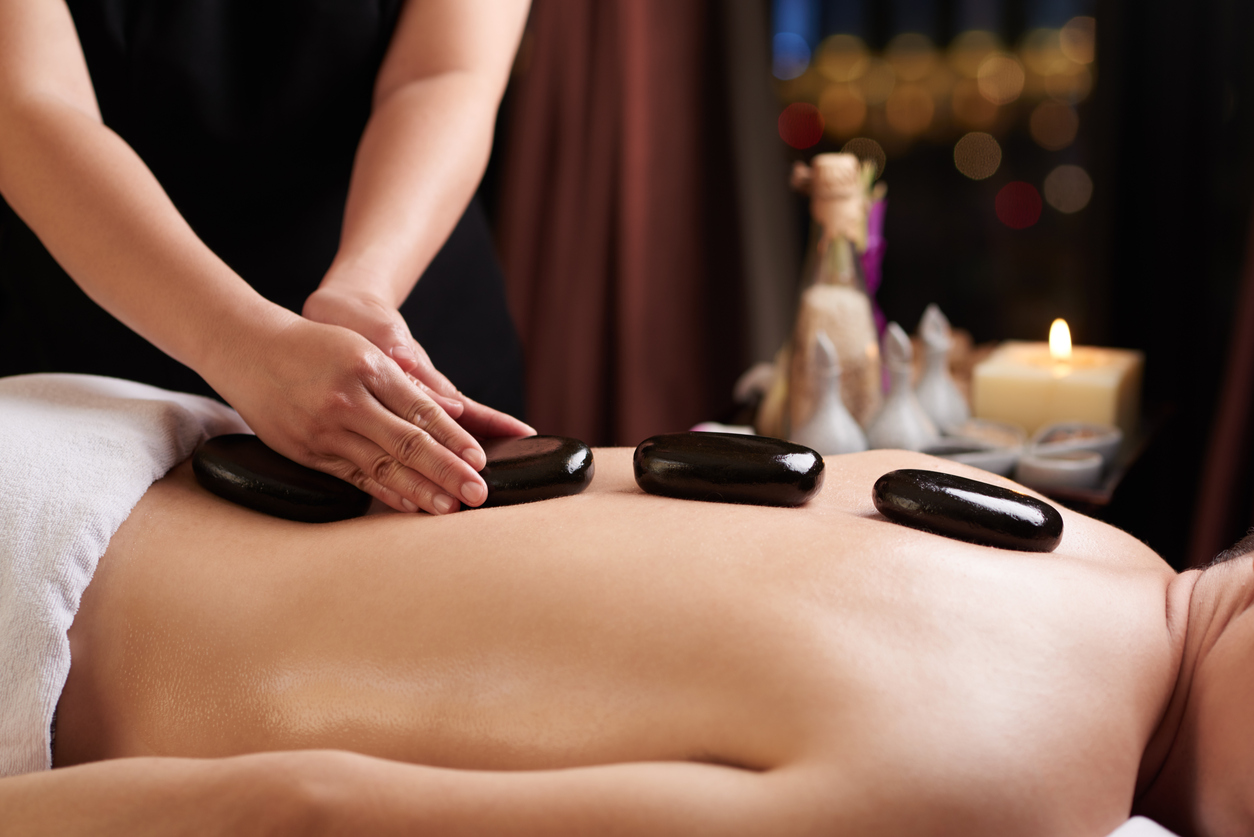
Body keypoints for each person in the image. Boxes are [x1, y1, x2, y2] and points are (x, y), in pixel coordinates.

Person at [3, 437, 1251, 836]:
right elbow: (303, 813)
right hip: (42, 625)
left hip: (106, 448)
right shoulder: (1025, 770)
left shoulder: (1088, 544)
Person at [0, 0, 534, 516]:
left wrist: (364, 285)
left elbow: (446, 73)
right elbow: (31, 103)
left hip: (407, 327)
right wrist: (243, 343)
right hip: (102, 350)